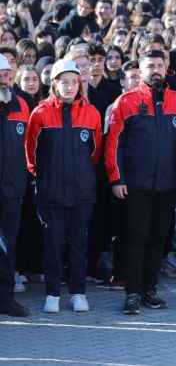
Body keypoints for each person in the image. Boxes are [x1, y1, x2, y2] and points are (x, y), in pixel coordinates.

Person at [104, 49, 176, 315]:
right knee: (135, 238)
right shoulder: (126, 101)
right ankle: (132, 293)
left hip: (167, 186)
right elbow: (114, 144)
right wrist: (117, 178)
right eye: (150, 65)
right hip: (135, 185)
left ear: (166, 69)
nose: (155, 70)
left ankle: (149, 290)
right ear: (140, 70)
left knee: (158, 239)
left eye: (159, 65)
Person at [25, 59, 102, 313]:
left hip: (82, 192)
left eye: (74, 82)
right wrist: (45, 178)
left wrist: (81, 175)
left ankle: (78, 293)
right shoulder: (40, 113)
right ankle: (53, 294)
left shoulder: (91, 113)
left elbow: (95, 152)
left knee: (79, 244)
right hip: (51, 193)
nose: (70, 87)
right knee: (53, 244)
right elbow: (31, 153)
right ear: (54, 84)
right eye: (64, 82)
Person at [0, 54, 31, 317]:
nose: (5, 79)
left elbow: (29, 146)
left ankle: (6, 298)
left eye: (8, 74)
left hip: (12, 189)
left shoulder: (21, 104)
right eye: (0, 75)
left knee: (8, 246)